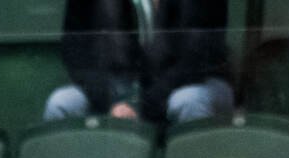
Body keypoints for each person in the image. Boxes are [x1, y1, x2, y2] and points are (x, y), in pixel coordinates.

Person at [46, 0, 234, 125]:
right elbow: (76, 53)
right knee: (61, 103)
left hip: (190, 82)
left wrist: (141, 104)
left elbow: (196, 59)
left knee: (189, 101)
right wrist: (111, 101)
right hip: (114, 88)